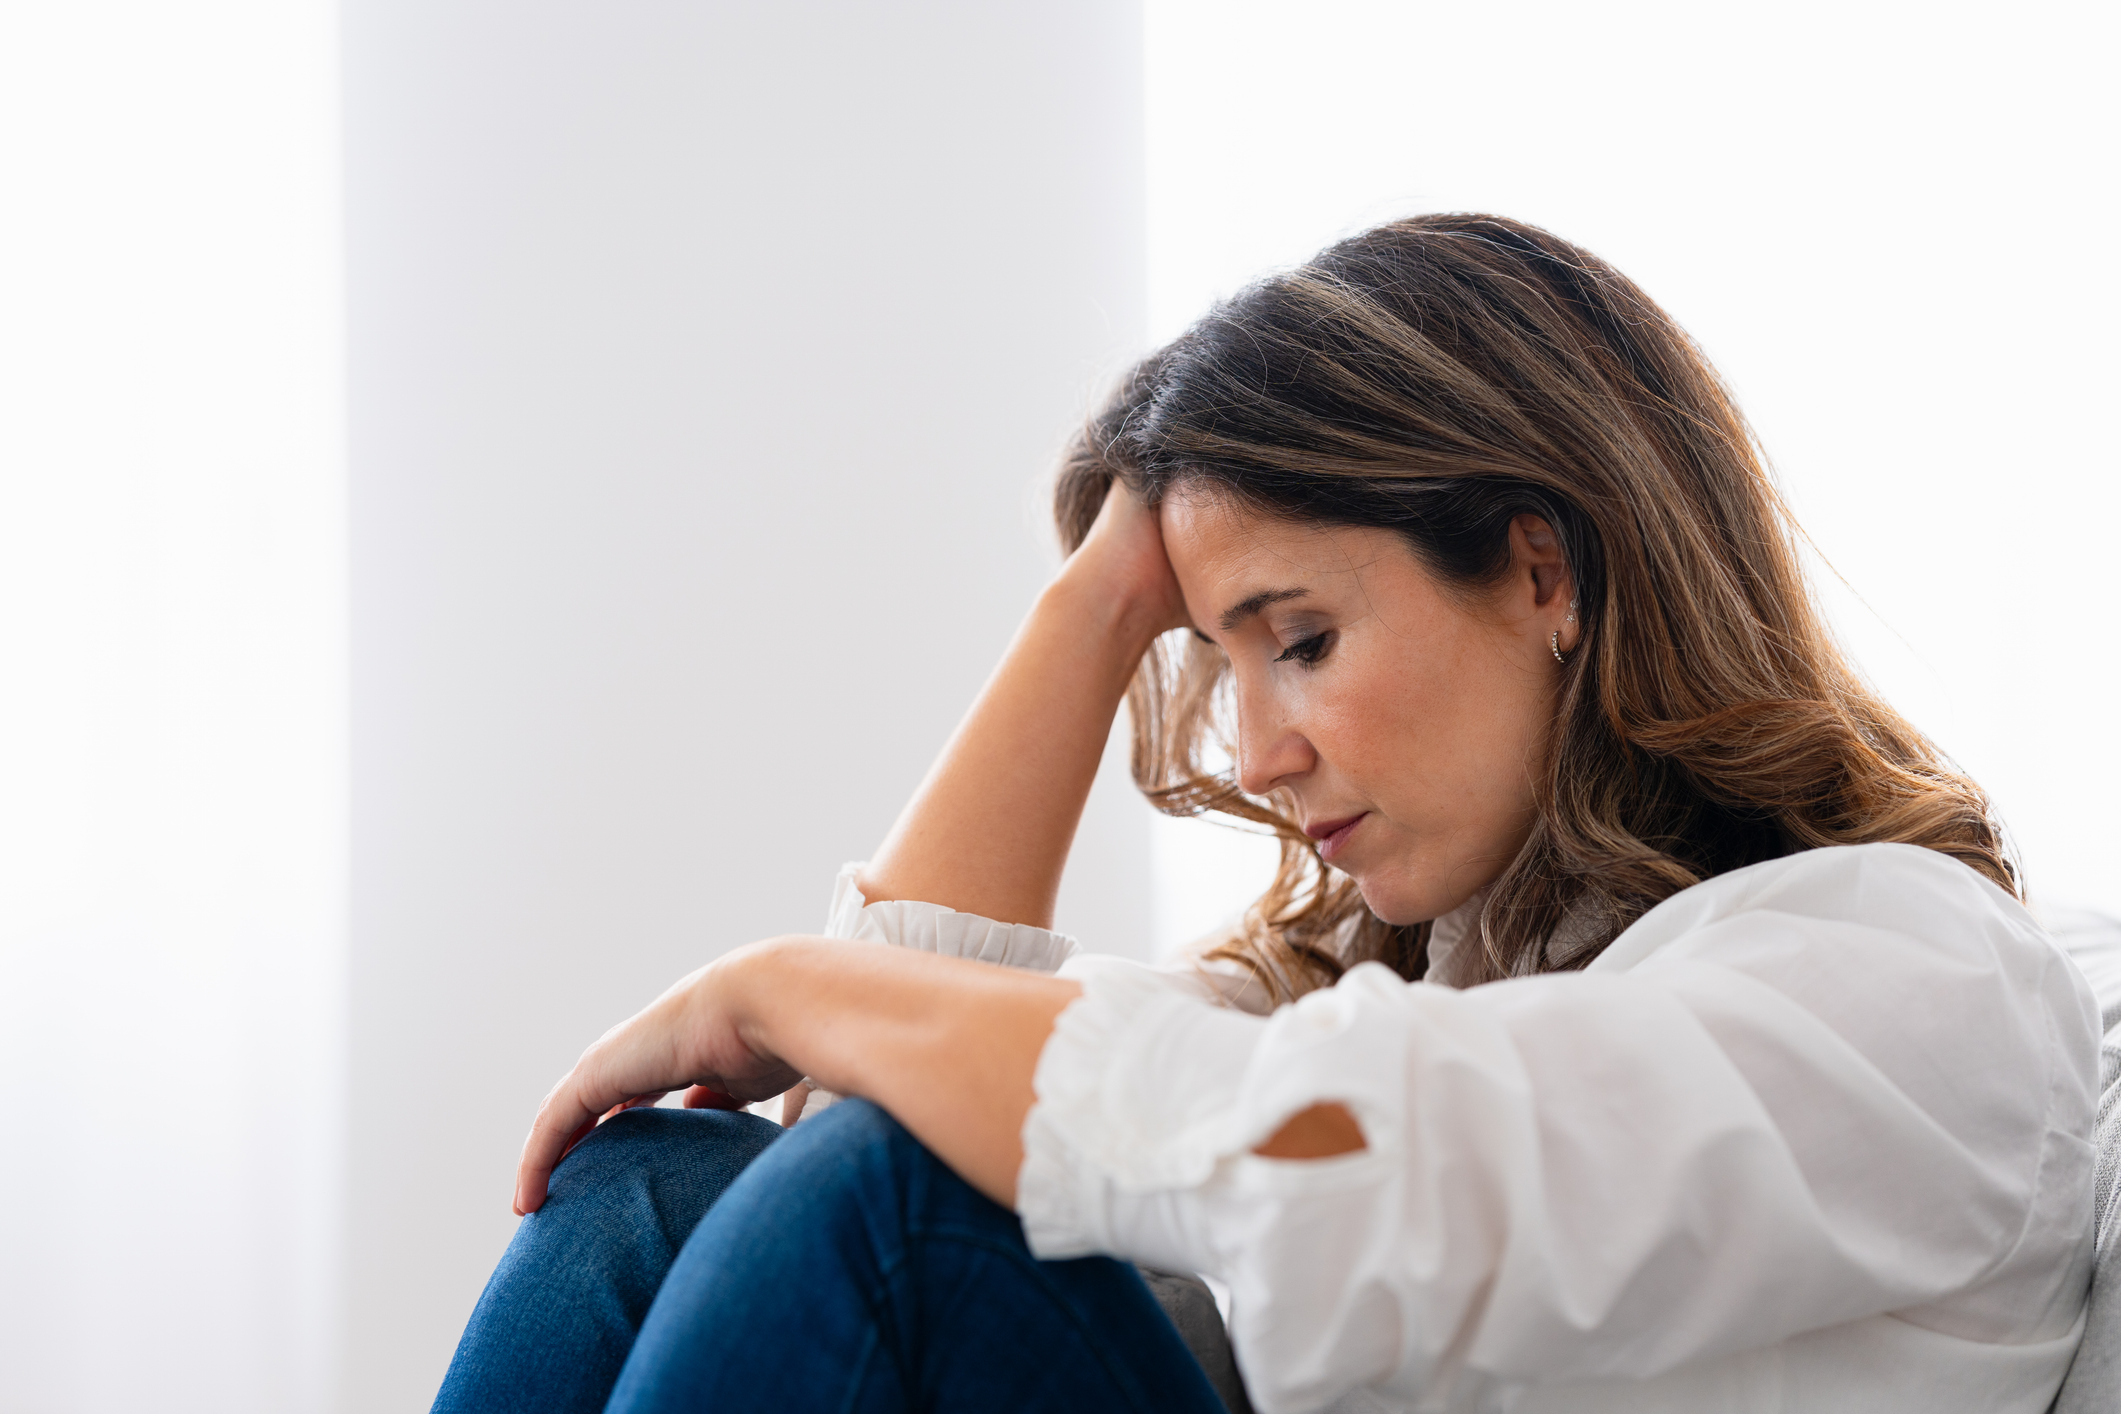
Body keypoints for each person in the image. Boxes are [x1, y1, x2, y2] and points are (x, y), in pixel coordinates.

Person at [431, 214, 2097, 1414]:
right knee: (667, 1182)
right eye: (1213, 658)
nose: (1247, 749)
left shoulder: (1909, 972)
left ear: (1541, 568)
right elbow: (862, 1105)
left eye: (1297, 639)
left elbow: (1364, 1159)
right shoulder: (1395, 987)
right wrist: (1091, 609)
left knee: (892, 1206)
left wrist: (785, 985)